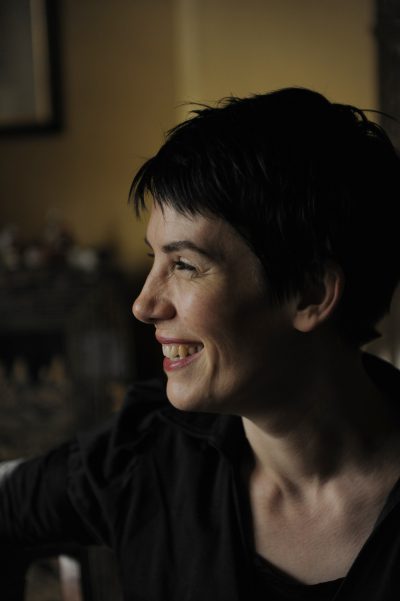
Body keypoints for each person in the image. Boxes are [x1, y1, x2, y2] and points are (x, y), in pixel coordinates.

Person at [1, 87, 400, 600]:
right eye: (155, 260)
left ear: (311, 293)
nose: (144, 305)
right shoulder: (146, 454)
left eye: (185, 265)